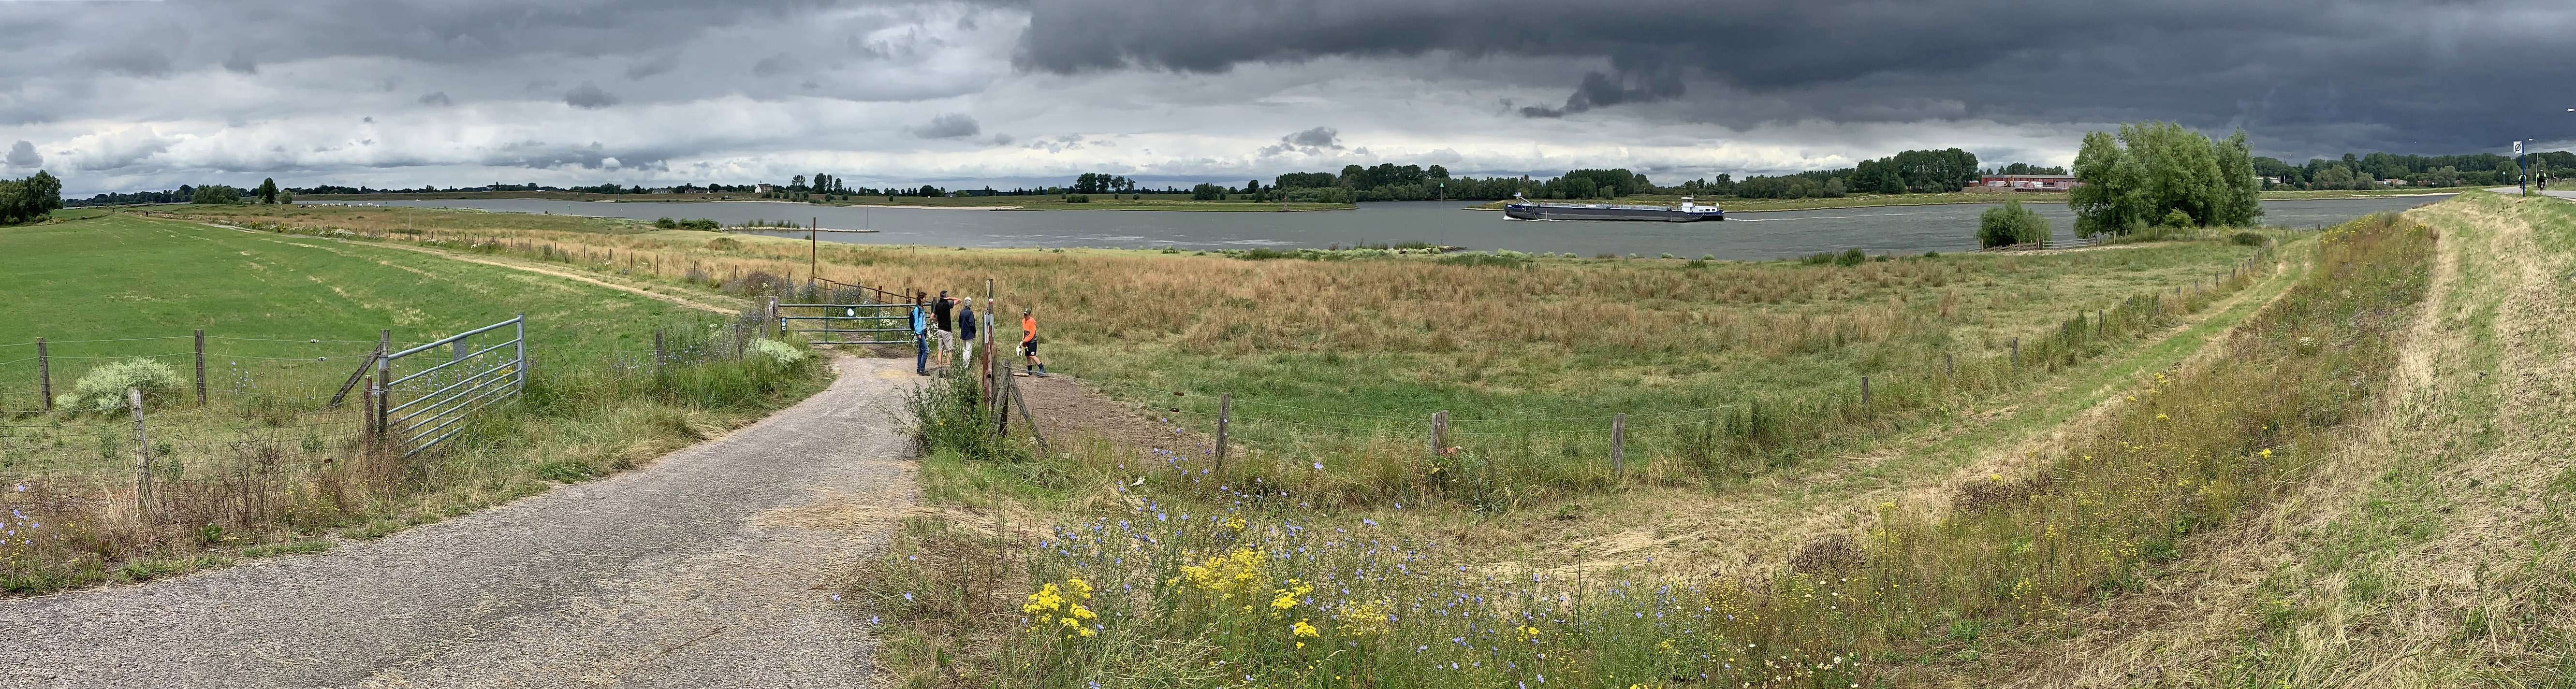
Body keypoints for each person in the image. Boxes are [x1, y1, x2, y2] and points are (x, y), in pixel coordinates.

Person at [1020, 307, 1046, 377]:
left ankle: (1042, 369)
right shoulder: (1023, 321)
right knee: (1028, 356)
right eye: (1024, 315)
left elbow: (1032, 334)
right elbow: (1024, 331)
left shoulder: (1032, 322)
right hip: (1026, 341)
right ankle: (1030, 371)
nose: (1025, 316)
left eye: (1026, 315)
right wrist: (1023, 340)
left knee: (1032, 356)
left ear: (1029, 315)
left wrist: (1024, 340)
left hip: (1032, 342)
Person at [910, 294, 929, 376]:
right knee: (926, 351)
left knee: (921, 351)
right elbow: (916, 322)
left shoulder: (922, 308)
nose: (926, 299)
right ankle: (922, 370)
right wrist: (918, 333)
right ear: (921, 299)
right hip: (920, 332)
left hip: (924, 331)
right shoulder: (917, 309)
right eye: (925, 298)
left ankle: (919, 369)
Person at [956, 297, 979, 366]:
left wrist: (963, 328)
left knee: (965, 349)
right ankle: (966, 365)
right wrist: (974, 331)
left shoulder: (962, 312)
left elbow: (960, 323)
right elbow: (972, 324)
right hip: (969, 333)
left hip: (963, 333)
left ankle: (964, 364)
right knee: (969, 350)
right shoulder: (970, 313)